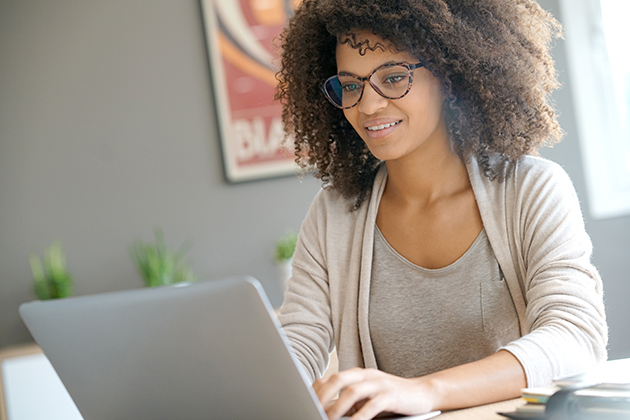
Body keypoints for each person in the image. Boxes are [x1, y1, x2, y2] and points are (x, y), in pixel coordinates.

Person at [274, 0, 608, 419]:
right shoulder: (333, 216)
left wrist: (425, 392)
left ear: (450, 75)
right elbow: (296, 349)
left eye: (394, 78)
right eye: (351, 85)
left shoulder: (531, 189)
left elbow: (575, 339)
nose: (369, 106)